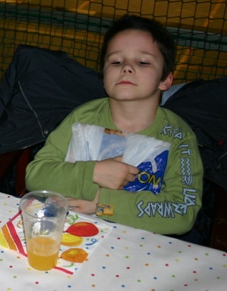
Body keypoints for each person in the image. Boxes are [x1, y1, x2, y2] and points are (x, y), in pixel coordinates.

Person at [25, 15, 203, 235]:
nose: (126, 67)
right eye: (116, 61)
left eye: (143, 62)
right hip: (71, 234)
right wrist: (93, 172)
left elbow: (182, 213)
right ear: (103, 76)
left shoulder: (178, 135)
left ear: (165, 79)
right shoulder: (83, 118)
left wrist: (103, 204)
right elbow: (36, 176)